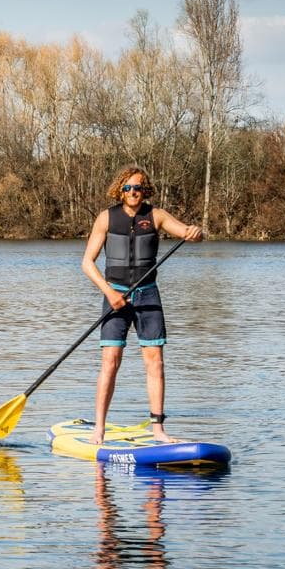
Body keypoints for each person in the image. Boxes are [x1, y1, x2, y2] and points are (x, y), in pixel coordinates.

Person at [81, 165, 202, 445]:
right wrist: (109, 293)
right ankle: (98, 428)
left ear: (144, 190)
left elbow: (186, 232)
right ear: (120, 191)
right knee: (110, 362)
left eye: (138, 187)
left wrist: (196, 232)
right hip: (116, 296)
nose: (133, 192)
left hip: (147, 296)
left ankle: (158, 430)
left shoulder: (156, 216)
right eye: (128, 188)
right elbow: (87, 263)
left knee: (155, 362)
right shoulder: (106, 218)